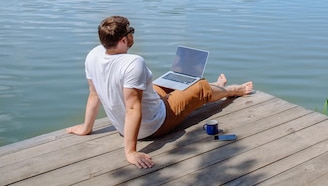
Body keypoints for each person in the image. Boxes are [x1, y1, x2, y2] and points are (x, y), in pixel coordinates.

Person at [66, 16, 253, 169]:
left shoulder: (94, 55)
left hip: (125, 123)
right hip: (154, 124)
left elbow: (94, 94)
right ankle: (231, 90)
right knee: (200, 87)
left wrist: (86, 128)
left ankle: (214, 87)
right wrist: (130, 152)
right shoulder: (133, 63)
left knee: (163, 83)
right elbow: (132, 108)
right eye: (130, 32)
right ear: (123, 40)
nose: (132, 35)